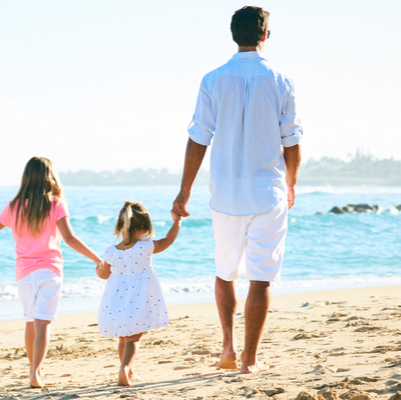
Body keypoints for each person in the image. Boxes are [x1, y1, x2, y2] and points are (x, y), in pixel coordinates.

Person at [172, 6, 303, 374]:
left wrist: (184, 191)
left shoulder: (213, 79)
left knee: (225, 271)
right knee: (260, 278)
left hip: (225, 194)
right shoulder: (281, 80)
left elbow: (198, 138)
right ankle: (249, 360)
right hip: (268, 193)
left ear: (234, 34)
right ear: (265, 35)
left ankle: (228, 349)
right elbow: (292, 141)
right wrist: (291, 183)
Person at [0, 157, 103, 388]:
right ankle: (35, 373)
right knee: (43, 324)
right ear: (51, 177)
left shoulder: (15, 206)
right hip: (50, 271)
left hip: (24, 274)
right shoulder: (56, 204)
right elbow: (70, 238)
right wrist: (96, 258)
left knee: (30, 322)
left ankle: (33, 372)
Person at [96, 201, 181, 386]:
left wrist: (99, 271)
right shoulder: (145, 246)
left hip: (116, 299)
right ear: (144, 227)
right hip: (138, 298)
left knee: (123, 337)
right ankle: (125, 369)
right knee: (134, 337)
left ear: (120, 226)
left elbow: (105, 275)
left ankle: (129, 370)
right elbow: (168, 241)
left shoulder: (111, 250)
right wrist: (177, 222)